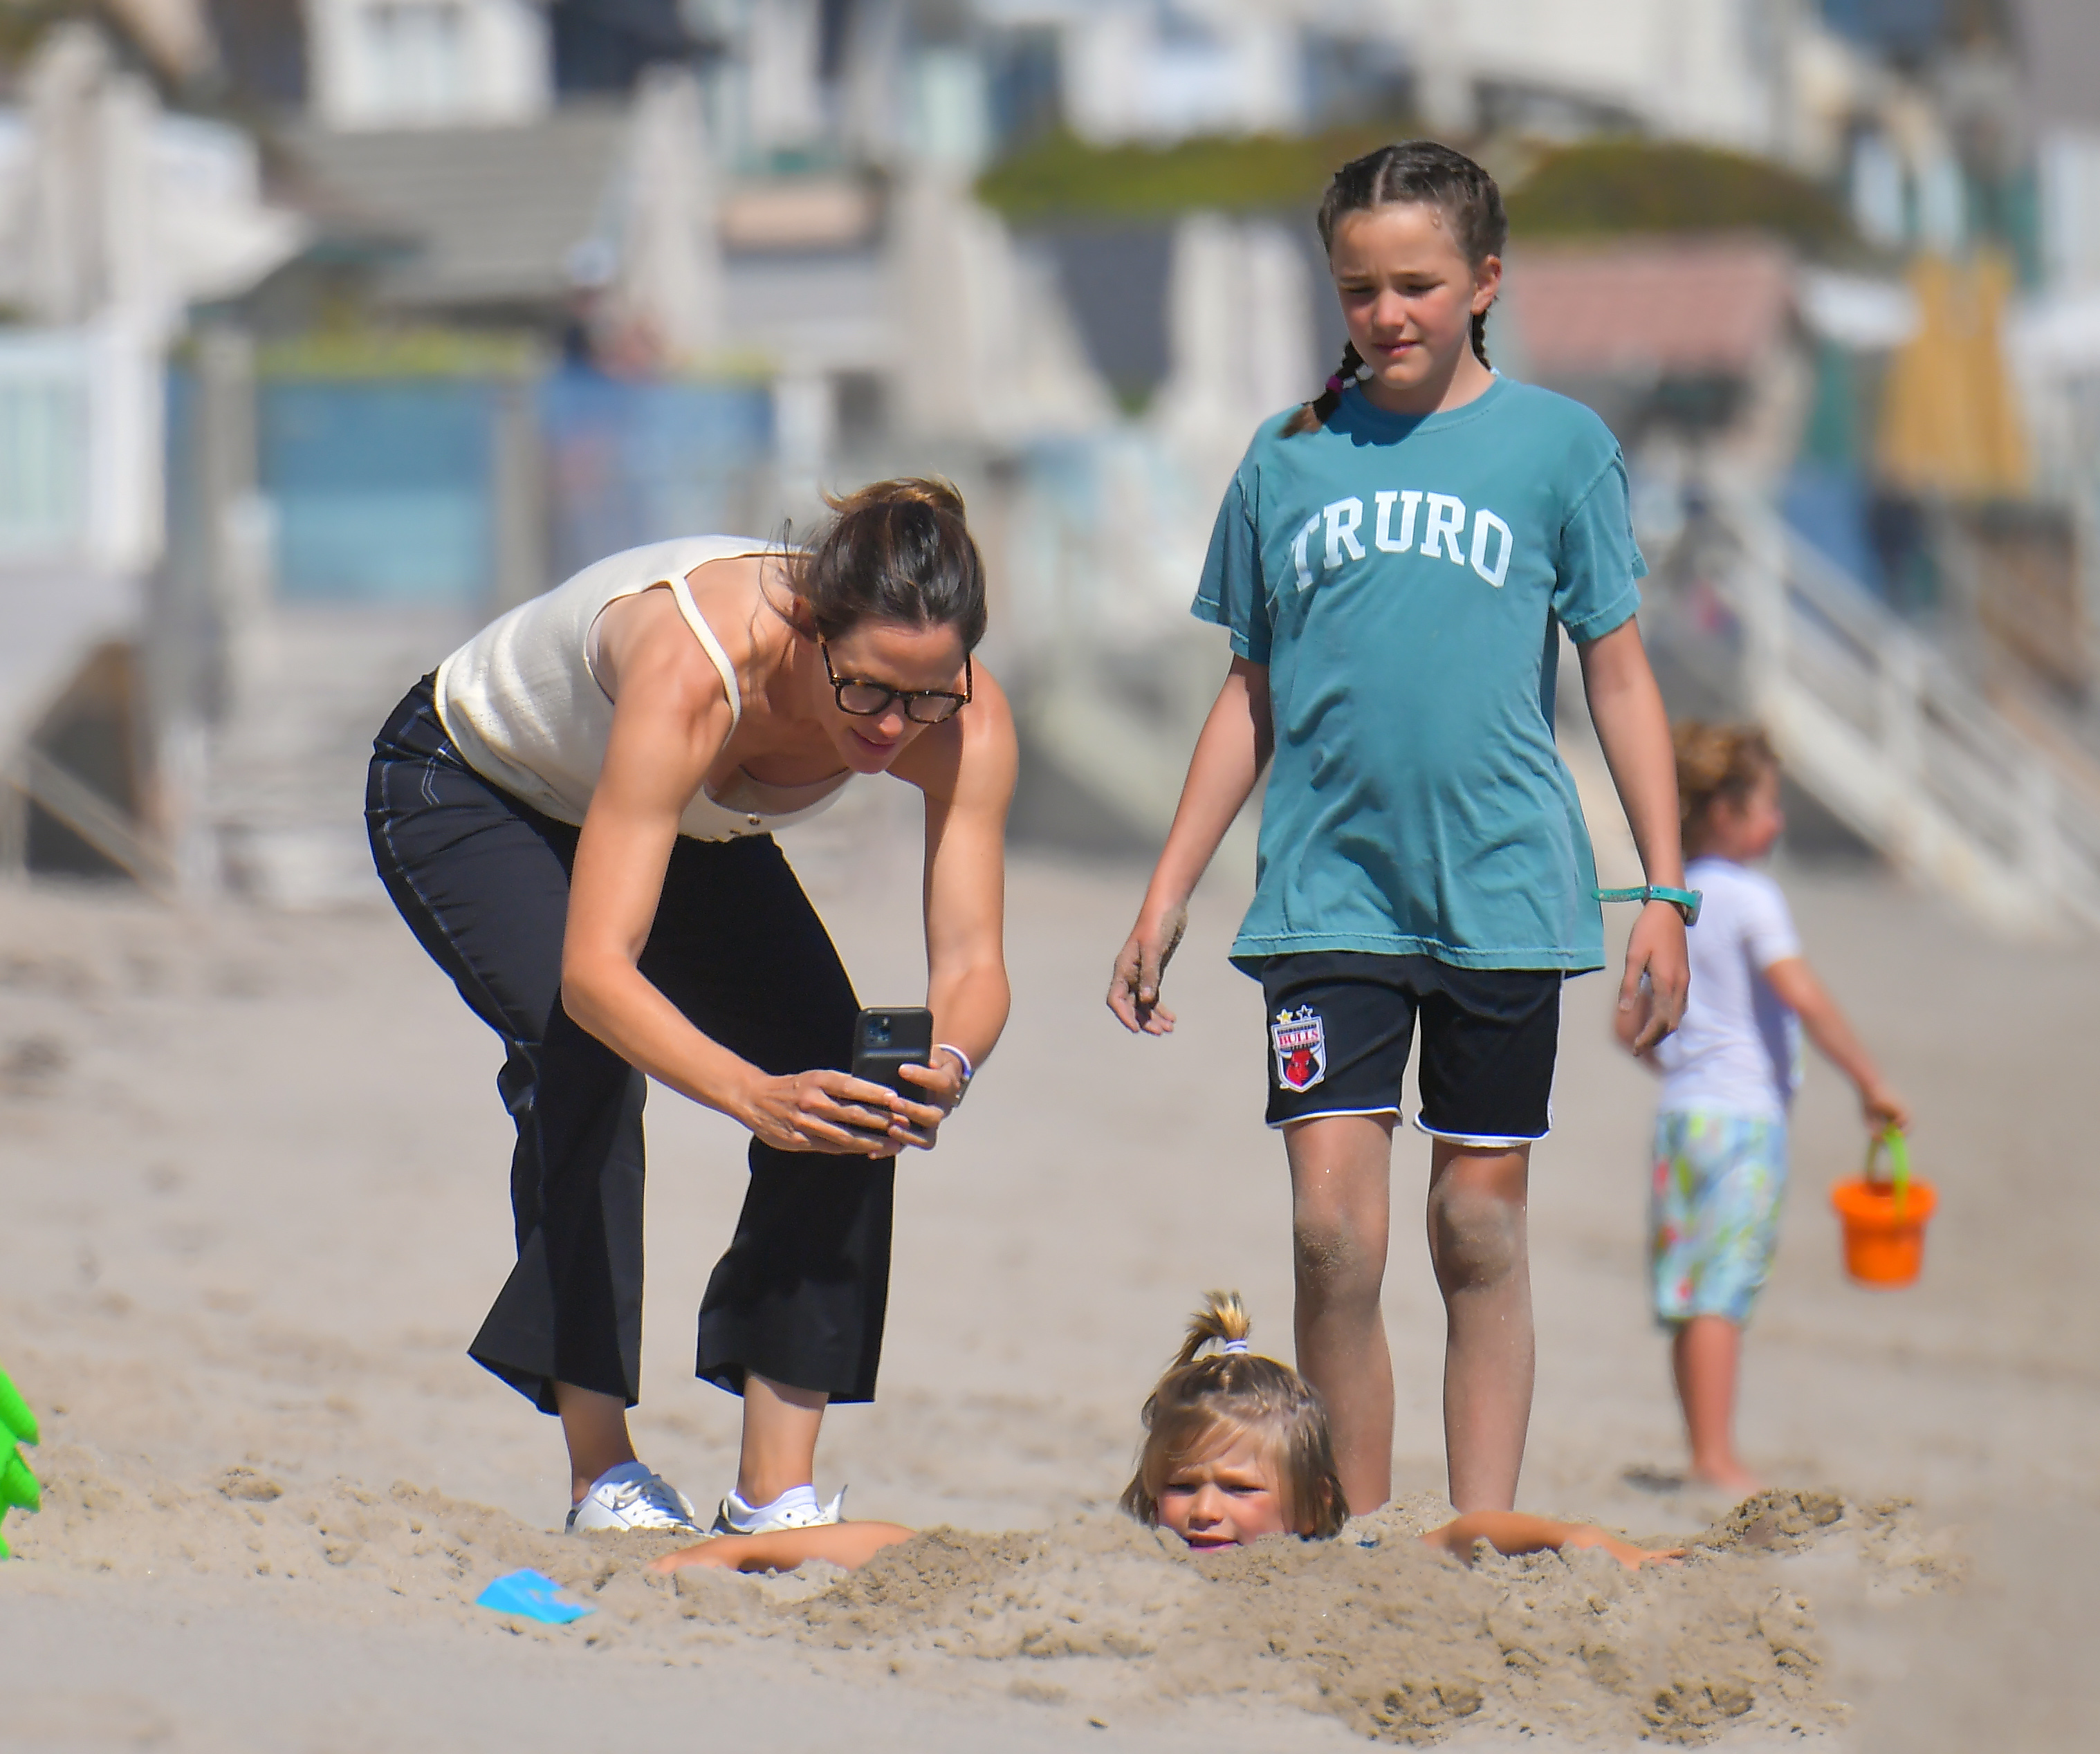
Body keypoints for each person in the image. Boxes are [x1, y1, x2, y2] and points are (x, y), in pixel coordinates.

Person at [1105, 140, 1691, 1520]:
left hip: (1502, 893)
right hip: (1327, 897)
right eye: (1360, 287)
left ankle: (1479, 1524)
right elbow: (1247, 689)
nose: (1389, 313)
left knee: (1476, 1225)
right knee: (1330, 1237)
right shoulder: (1286, 456)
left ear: (1486, 278)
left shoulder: (1561, 448)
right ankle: (1353, 1537)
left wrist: (1663, 887)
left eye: (1418, 283)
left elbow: (1618, 670)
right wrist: (1167, 890)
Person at [365, 479, 1017, 1536]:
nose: (895, 727)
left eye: (928, 696)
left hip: (672, 818)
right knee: (585, 1053)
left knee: (850, 1078)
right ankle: (603, 1473)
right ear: (809, 631)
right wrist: (751, 1095)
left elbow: (976, 963)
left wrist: (951, 1063)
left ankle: (773, 1492)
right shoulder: (695, 666)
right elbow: (597, 973)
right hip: (475, 784)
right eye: (866, 693)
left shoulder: (964, 725)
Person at [650, 1293, 1681, 1574]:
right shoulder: (1122, 1562)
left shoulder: (1347, 1562)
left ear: (1317, 1504)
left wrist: (1604, 1548)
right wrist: (746, 1551)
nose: (1204, 1509)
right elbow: (913, 1550)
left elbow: (1469, 1535)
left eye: (1238, 1490)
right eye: (1185, 1486)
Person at [1632, 723, 1908, 1496]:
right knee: (1724, 1287)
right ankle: (1715, 1455)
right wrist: (1869, 1080)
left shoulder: (1678, 896)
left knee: (1689, 1291)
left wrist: (1672, 1057)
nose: (1779, 822)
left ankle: (1700, 1446)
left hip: (1682, 1117)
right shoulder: (1755, 897)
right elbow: (1801, 992)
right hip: (1743, 1120)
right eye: (1768, 806)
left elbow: (1635, 1023)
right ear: (1723, 811)